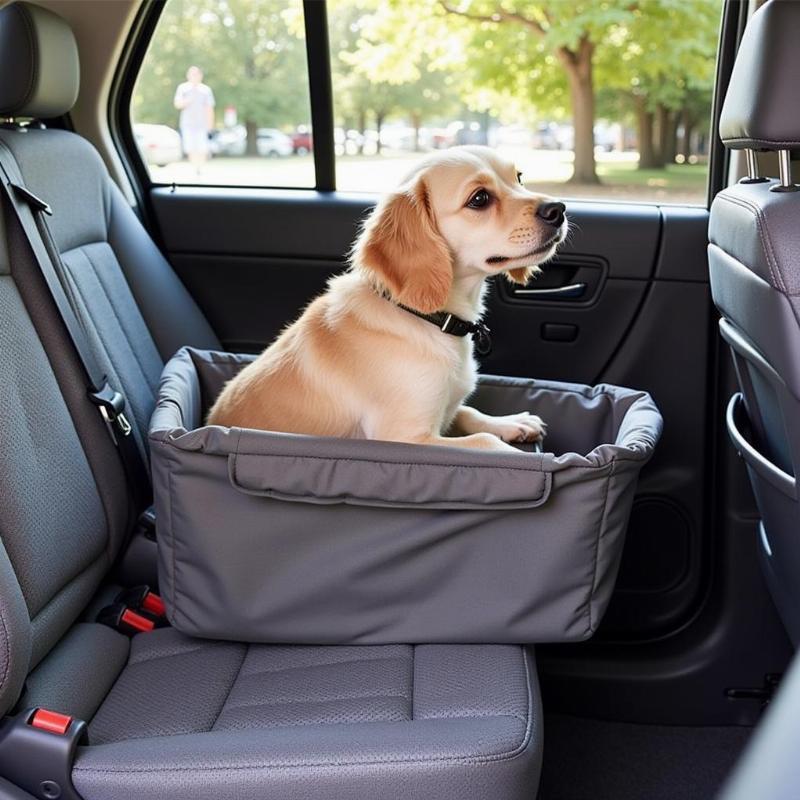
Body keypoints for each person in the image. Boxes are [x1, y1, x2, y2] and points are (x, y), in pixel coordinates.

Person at [174, 66, 215, 173]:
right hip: (187, 124)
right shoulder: (183, 88)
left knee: (202, 148)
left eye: (197, 74)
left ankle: (200, 168)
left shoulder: (206, 90)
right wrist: (187, 101)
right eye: (192, 74)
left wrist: (210, 126)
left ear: (201, 76)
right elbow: (177, 104)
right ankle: (195, 167)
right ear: (188, 75)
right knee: (190, 148)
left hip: (202, 124)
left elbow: (209, 108)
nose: (195, 77)